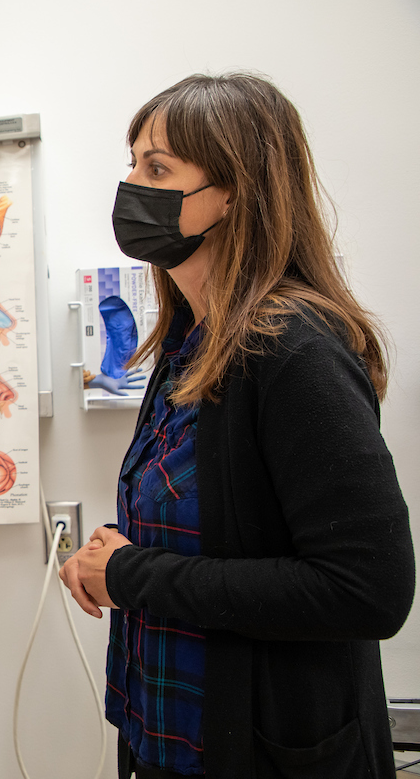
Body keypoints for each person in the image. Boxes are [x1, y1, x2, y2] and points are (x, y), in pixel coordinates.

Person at [59, 73, 414, 779]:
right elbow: (219, 528)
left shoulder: (294, 350)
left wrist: (131, 572)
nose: (131, 187)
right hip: (166, 738)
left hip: (267, 753)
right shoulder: (194, 337)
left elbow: (366, 589)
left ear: (235, 194)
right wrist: (115, 557)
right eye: (132, 164)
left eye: (157, 168)